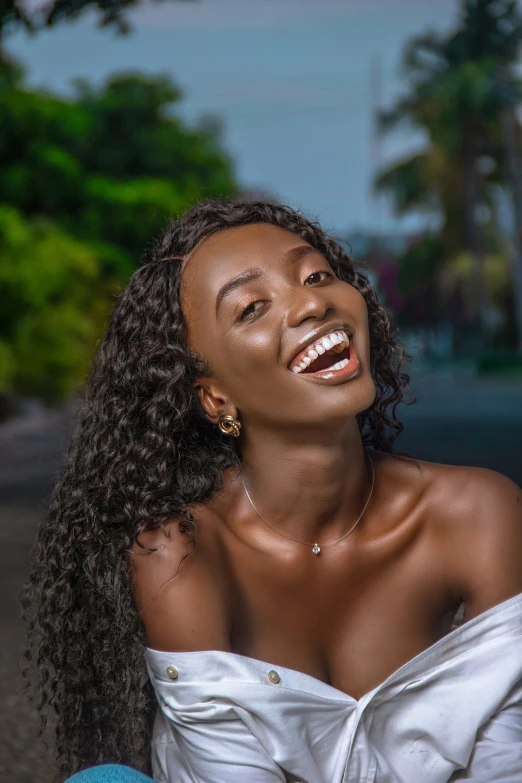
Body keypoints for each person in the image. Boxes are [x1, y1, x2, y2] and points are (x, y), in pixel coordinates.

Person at [24, 199, 522, 783]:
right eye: (252, 308)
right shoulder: (181, 552)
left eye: (316, 275)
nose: (313, 303)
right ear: (215, 398)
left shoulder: (477, 515)